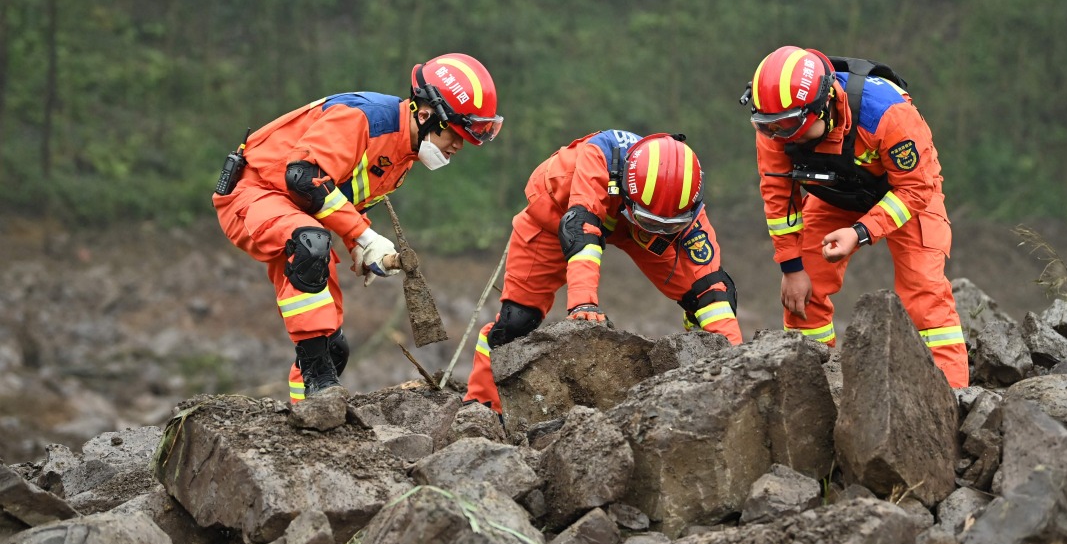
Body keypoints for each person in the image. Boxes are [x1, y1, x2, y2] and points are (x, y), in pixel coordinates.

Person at [213, 52, 502, 416]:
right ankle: (320, 387)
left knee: (333, 348)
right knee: (310, 244)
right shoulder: (364, 119)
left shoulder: (401, 159)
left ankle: (308, 415)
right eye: (455, 134)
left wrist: (360, 246)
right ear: (425, 116)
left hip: (298, 214)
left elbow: (342, 199)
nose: (458, 146)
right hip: (255, 194)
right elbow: (303, 176)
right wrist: (364, 236)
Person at [463, 130, 743, 414]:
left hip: (632, 224)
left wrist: (737, 362)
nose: (657, 230)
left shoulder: (685, 204)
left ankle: (707, 371)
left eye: (666, 226)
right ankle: (482, 404)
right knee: (516, 320)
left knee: (708, 295)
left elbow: (712, 287)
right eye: (652, 222)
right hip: (556, 214)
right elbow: (581, 231)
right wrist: (583, 304)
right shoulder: (598, 158)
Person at [741, 46, 968, 388]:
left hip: (905, 192)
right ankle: (809, 391)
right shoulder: (776, 125)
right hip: (837, 195)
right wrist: (790, 266)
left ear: (826, 104)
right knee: (803, 291)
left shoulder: (887, 113)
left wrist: (861, 231)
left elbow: (916, 189)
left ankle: (952, 398)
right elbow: (779, 195)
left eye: (793, 127)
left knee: (925, 293)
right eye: (772, 127)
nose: (785, 137)